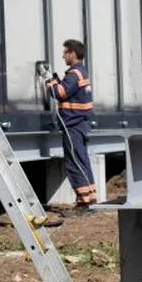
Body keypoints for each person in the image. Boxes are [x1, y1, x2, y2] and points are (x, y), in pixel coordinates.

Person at [44, 39, 96, 208]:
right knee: (82, 160)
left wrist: (47, 80)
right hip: (79, 123)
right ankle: (90, 197)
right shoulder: (81, 72)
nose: (63, 55)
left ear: (73, 54)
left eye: (65, 52)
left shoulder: (74, 74)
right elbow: (69, 92)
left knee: (74, 162)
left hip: (72, 124)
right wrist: (56, 78)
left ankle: (83, 202)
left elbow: (60, 93)